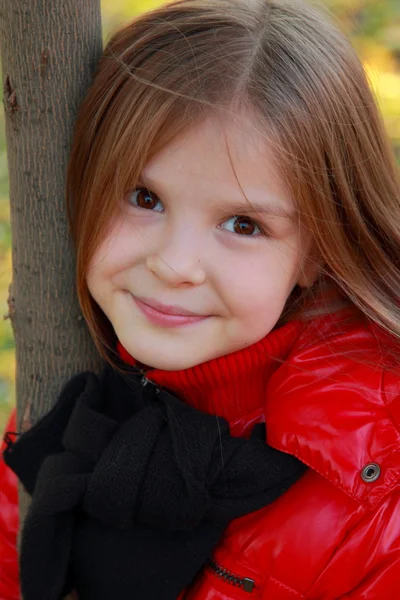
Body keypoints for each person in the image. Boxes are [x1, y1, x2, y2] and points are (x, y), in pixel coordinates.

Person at [1, 0, 400, 597]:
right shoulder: (73, 399)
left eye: (242, 224)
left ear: (319, 249)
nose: (174, 264)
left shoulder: (374, 502)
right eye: (143, 196)